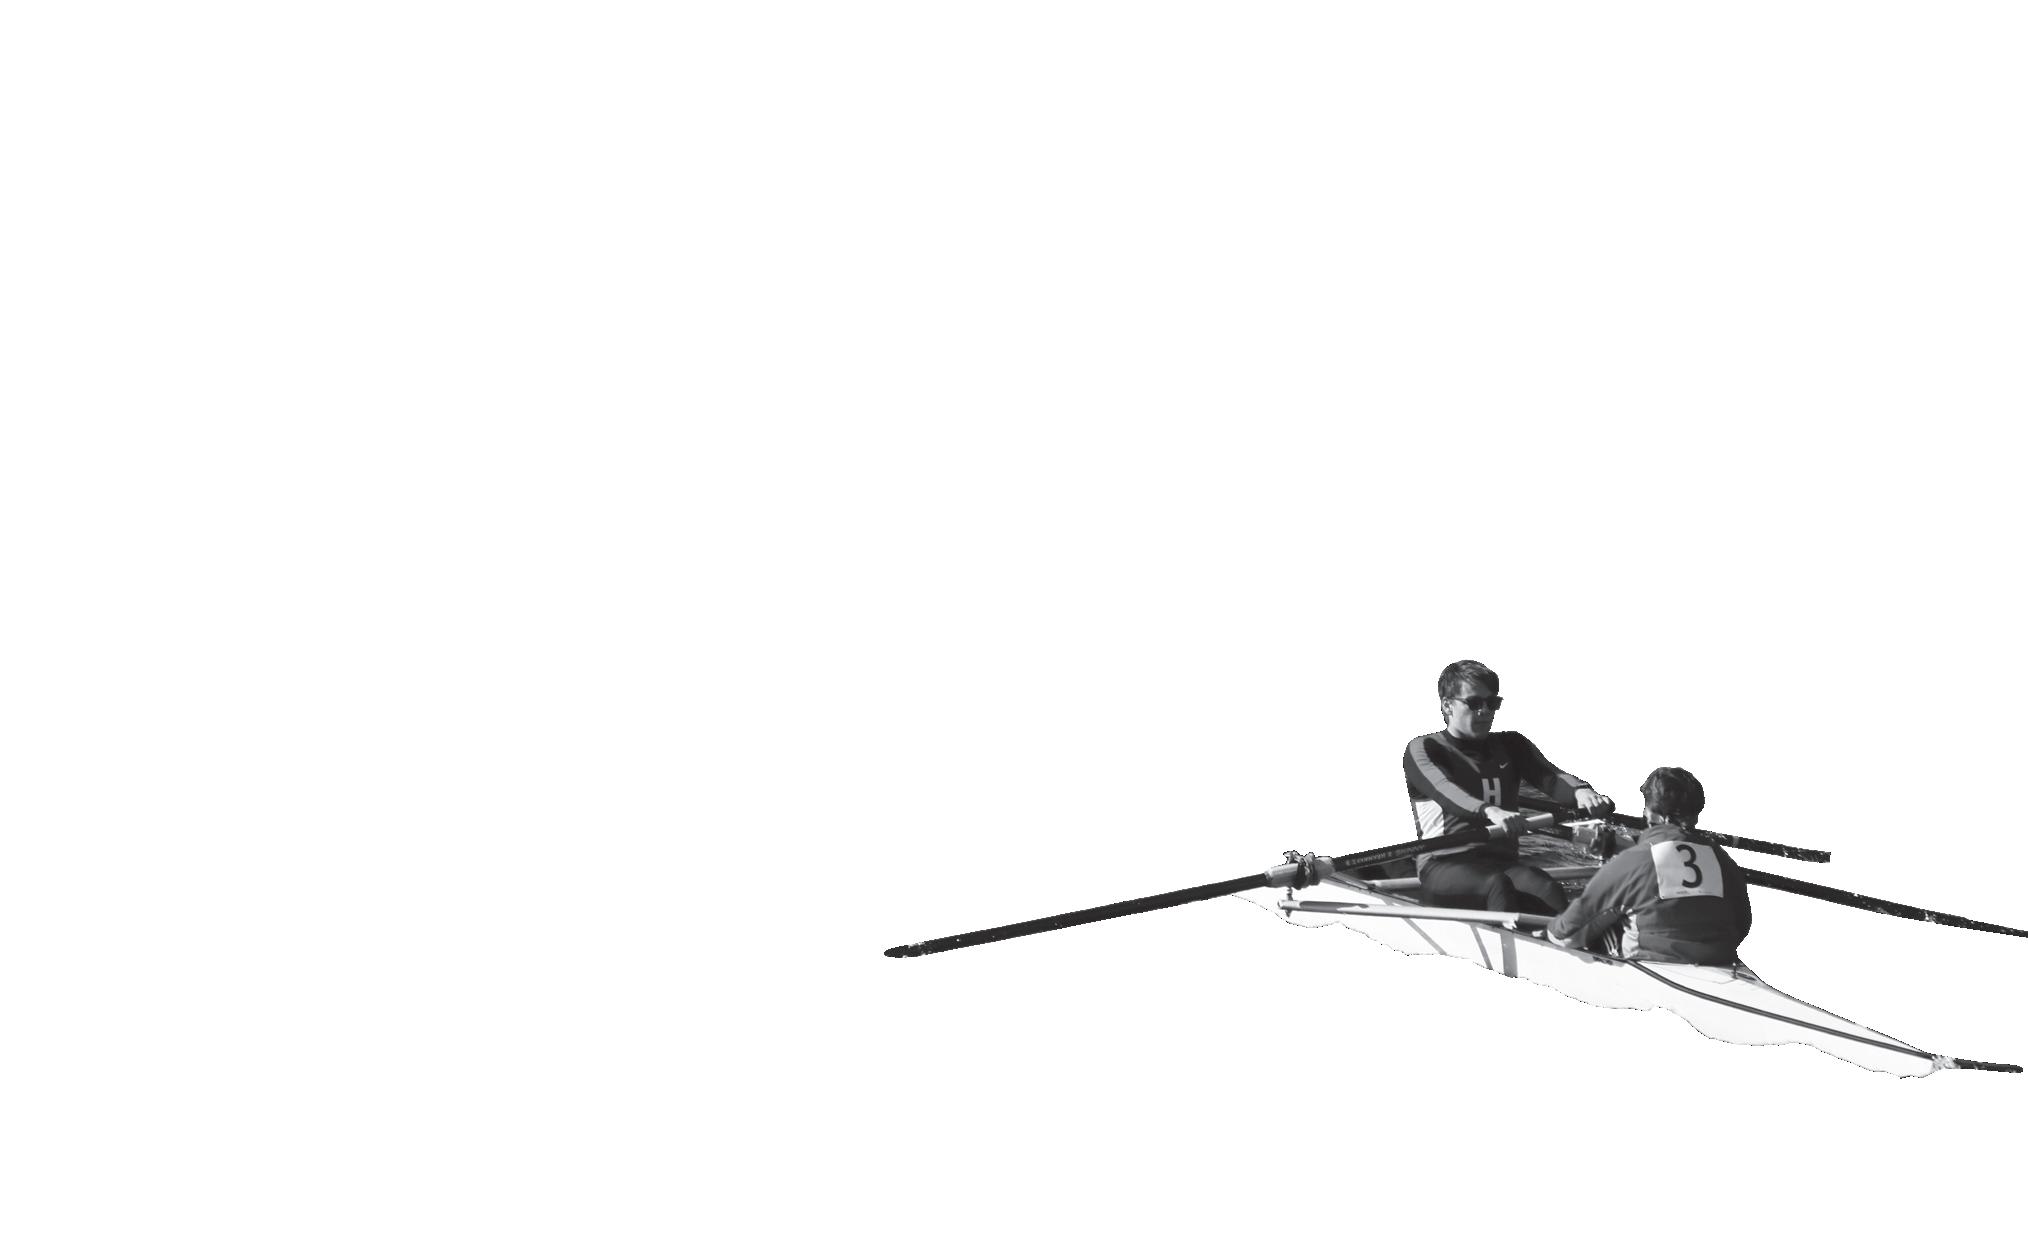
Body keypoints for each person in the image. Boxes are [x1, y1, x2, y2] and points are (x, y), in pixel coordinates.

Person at [1402, 660, 1614, 915]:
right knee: (1496, 885)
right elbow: (1445, 791)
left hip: (1500, 863)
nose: (1485, 711)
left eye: (1492, 703)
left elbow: (1551, 777)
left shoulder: (1512, 745)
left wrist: (1581, 792)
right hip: (1442, 865)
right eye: (1474, 703)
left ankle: (1567, 938)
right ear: (1447, 705)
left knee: (1547, 888)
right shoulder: (1425, 749)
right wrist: (1490, 811)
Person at [1546, 767, 1752, 966]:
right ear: (1695, 814)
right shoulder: (1722, 858)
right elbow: (1742, 924)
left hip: (1654, 958)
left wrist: (1549, 930)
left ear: (1655, 816)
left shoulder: (1633, 861)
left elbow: (1564, 934)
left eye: (1647, 805)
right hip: (1719, 958)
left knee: (1593, 928)